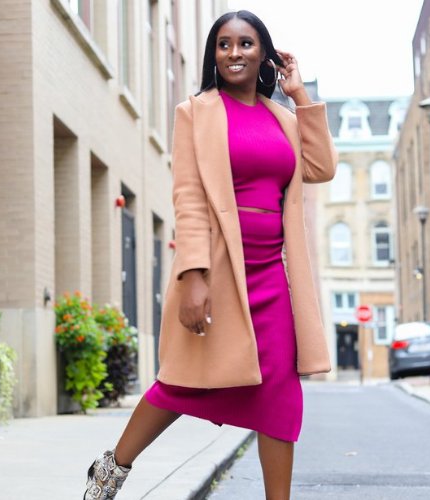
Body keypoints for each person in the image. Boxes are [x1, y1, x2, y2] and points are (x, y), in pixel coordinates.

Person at [83, 10, 337, 500]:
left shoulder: (282, 117)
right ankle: (112, 468)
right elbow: (189, 196)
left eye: (245, 44)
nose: (234, 53)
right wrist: (193, 275)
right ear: (213, 55)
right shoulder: (196, 112)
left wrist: (299, 93)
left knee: (279, 395)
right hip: (220, 268)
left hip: (273, 275)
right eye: (224, 45)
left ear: (263, 51)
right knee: (183, 384)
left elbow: (321, 166)